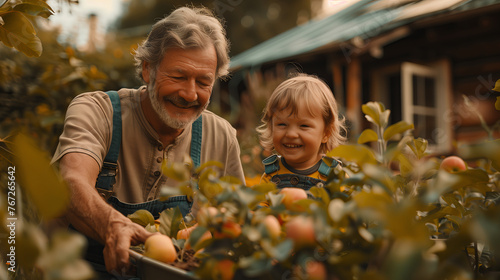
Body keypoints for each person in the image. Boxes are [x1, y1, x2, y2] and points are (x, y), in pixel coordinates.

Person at [51, 6, 245, 278]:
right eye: (178, 77)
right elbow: (71, 182)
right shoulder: (97, 111)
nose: (190, 94)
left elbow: (234, 222)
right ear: (147, 70)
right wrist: (111, 225)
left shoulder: (221, 136)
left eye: (203, 82)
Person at [256, 74, 346, 190]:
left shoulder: (334, 176)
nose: (291, 134)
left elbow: (347, 206)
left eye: (304, 126)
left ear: (326, 133)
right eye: (282, 124)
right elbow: (261, 205)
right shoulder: (272, 176)